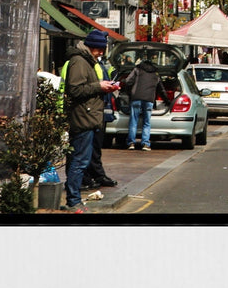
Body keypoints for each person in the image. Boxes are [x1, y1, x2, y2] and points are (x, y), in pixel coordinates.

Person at [63, 30, 119, 213]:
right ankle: (74, 201)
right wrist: (99, 86)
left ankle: (74, 198)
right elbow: (75, 90)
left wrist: (104, 88)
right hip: (83, 118)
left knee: (79, 160)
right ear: (92, 46)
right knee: (79, 161)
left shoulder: (86, 61)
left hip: (87, 117)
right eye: (100, 49)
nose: (102, 53)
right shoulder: (79, 62)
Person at [119, 52, 165, 150]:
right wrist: (167, 101)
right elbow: (161, 89)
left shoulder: (137, 70)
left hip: (136, 98)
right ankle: (145, 144)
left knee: (133, 121)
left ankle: (131, 143)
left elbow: (128, 81)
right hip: (149, 100)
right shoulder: (155, 74)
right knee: (146, 122)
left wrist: (127, 91)